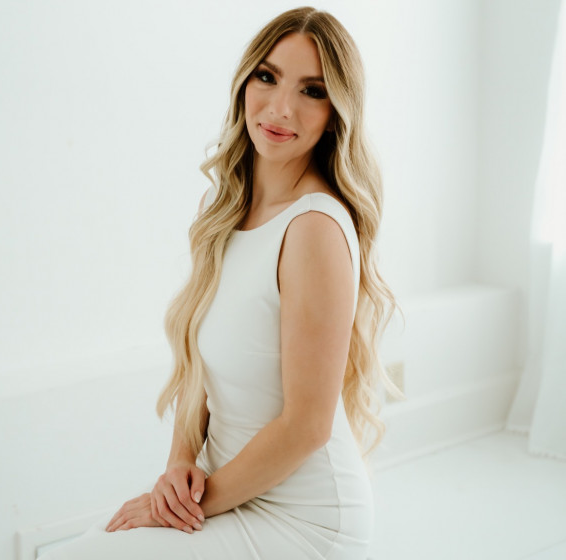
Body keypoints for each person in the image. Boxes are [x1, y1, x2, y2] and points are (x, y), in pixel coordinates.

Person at [39, 5, 401, 560]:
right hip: (225, 487)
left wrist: (184, 507)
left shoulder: (314, 228)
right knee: (81, 550)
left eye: (312, 91)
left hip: (306, 519)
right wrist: (179, 463)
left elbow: (307, 427)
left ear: (336, 114)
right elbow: (198, 368)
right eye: (268, 77)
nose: (280, 108)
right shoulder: (222, 205)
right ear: (244, 82)